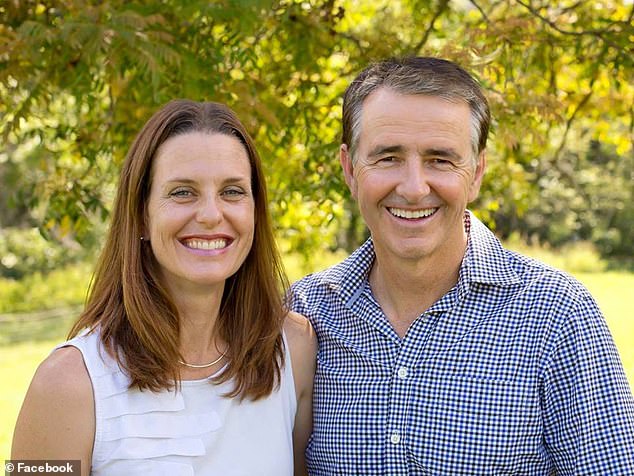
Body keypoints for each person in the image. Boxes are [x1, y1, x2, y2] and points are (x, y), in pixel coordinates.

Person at [290, 57, 634, 475]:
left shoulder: (558, 315)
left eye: (440, 159)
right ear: (349, 169)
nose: (414, 188)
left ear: (476, 172)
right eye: (388, 158)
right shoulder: (306, 312)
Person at [12, 99, 316, 476]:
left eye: (233, 191)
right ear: (141, 214)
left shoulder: (292, 349)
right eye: (182, 192)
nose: (210, 214)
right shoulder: (65, 385)